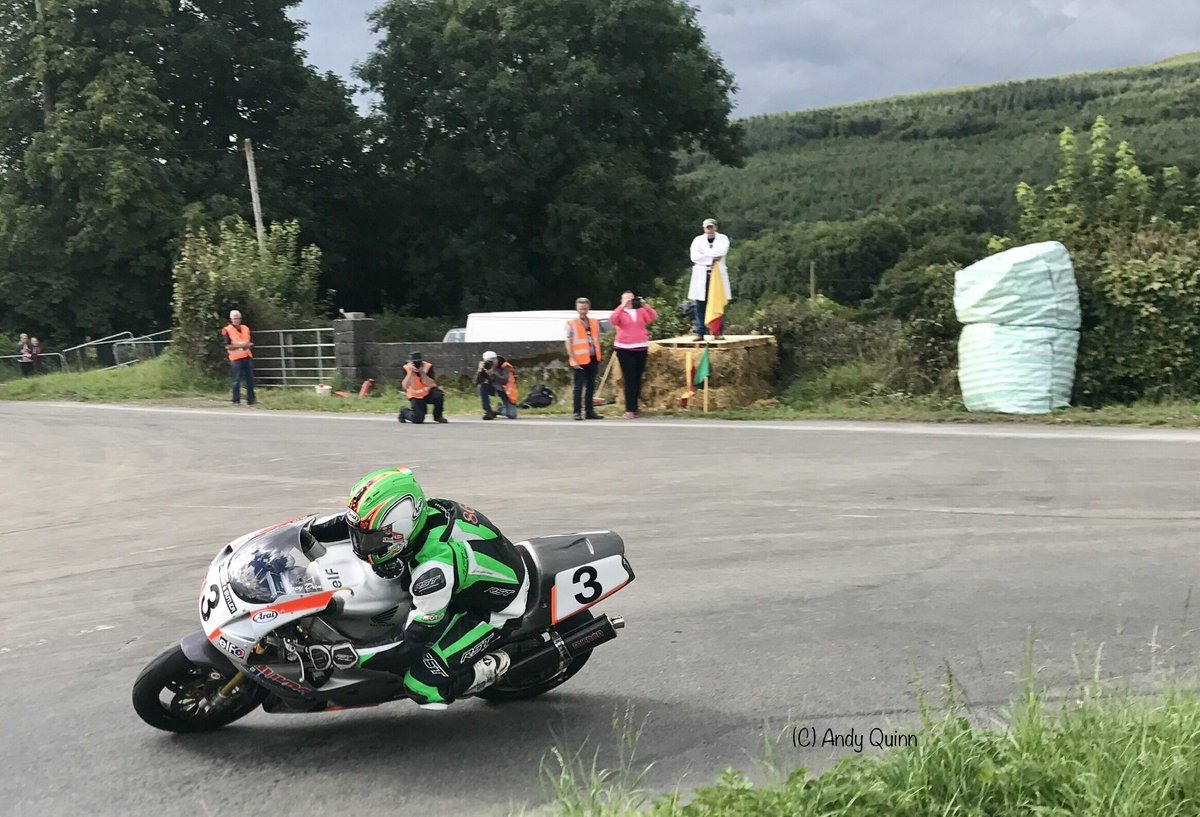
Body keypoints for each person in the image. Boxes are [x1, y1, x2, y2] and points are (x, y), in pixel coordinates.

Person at [305, 466, 526, 710]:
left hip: (494, 610)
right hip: (477, 571)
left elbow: (412, 642)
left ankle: (491, 666)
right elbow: (352, 523)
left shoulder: (433, 572)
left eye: (371, 539)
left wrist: (352, 657)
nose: (362, 544)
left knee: (421, 684)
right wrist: (306, 530)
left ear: (398, 532)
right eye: (360, 535)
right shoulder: (417, 514)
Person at [609, 292, 657, 419]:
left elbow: (652, 317)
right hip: (625, 348)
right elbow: (613, 320)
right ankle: (630, 408)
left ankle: (635, 406)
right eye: (626, 299)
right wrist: (622, 306)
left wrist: (645, 305)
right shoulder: (621, 312)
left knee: (637, 377)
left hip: (640, 347)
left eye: (631, 299)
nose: (629, 301)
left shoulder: (640, 311)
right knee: (629, 378)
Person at [688, 218, 733, 341]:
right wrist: (711, 257)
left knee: (717, 303)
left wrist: (705, 253)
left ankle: (717, 331)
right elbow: (695, 257)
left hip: (717, 275)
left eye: (711, 227)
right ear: (704, 228)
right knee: (700, 305)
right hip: (702, 274)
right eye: (707, 227)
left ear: (715, 228)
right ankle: (699, 332)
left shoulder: (723, 238)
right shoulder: (697, 240)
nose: (709, 229)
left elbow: (721, 251)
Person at [565, 297, 604, 421]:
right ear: (577, 309)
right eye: (581, 309)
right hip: (579, 359)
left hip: (593, 357)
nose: (583, 311)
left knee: (591, 386)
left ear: (589, 309)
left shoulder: (595, 322)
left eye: (585, 309)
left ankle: (589, 411)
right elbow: (568, 342)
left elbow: (597, 339)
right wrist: (573, 359)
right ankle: (577, 412)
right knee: (578, 387)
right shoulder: (571, 324)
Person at [398, 351, 448, 424]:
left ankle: (438, 416)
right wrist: (411, 373)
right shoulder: (406, 368)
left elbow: (430, 383)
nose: (417, 365)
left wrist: (422, 373)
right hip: (415, 396)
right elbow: (405, 386)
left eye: (419, 362)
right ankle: (403, 412)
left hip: (428, 392)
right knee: (418, 419)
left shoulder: (428, 366)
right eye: (415, 363)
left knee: (439, 395)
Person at [220, 310, 256, 406]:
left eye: (238, 318)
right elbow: (227, 346)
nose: (237, 320)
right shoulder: (227, 330)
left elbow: (251, 342)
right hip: (236, 358)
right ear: (231, 319)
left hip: (247, 356)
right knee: (236, 380)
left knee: (250, 380)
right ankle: (236, 400)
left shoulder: (245, 328)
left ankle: (251, 400)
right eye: (235, 318)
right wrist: (240, 346)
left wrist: (249, 345)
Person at [475, 350, 518, 420]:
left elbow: (504, 381)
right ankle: (488, 411)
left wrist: (492, 373)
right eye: (489, 361)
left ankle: (499, 409)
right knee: (481, 386)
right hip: (493, 388)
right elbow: (477, 382)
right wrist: (480, 371)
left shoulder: (504, 366)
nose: (492, 362)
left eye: (493, 359)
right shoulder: (485, 367)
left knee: (511, 415)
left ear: (496, 358)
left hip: (505, 391)